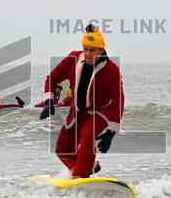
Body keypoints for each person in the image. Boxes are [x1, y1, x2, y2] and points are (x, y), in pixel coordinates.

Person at [40, 24, 124, 178]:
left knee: (87, 135)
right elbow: (53, 78)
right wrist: (49, 101)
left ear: (101, 50)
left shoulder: (112, 70)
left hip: (100, 111)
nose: (88, 53)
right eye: (85, 49)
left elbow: (118, 100)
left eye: (92, 50)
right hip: (77, 111)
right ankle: (89, 166)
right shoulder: (73, 58)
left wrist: (111, 132)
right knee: (62, 149)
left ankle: (80, 176)